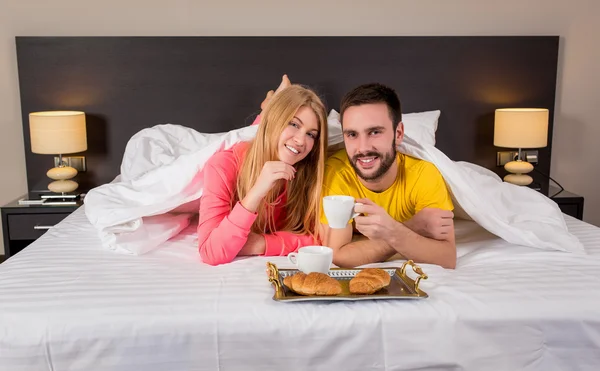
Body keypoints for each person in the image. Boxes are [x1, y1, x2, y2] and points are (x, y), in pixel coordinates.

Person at [320, 83, 456, 269]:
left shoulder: (423, 174)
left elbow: (447, 257)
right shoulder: (336, 173)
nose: (363, 148)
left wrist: (391, 231)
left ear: (398, 133)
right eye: (352, 134)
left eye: (374, 132)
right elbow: (339, 256)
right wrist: (410, 227)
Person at [198, 76, 329, 265]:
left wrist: (262, 243)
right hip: (241, 157)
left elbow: (321, 238)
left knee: (274, 142)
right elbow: (211, 252)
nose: (301, 140)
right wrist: (257, 192)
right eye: (293, 124)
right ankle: (270, 107)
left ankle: (273, 105)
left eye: (311, 134)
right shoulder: (221, 165)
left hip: (269, 141)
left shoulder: (308, 170)